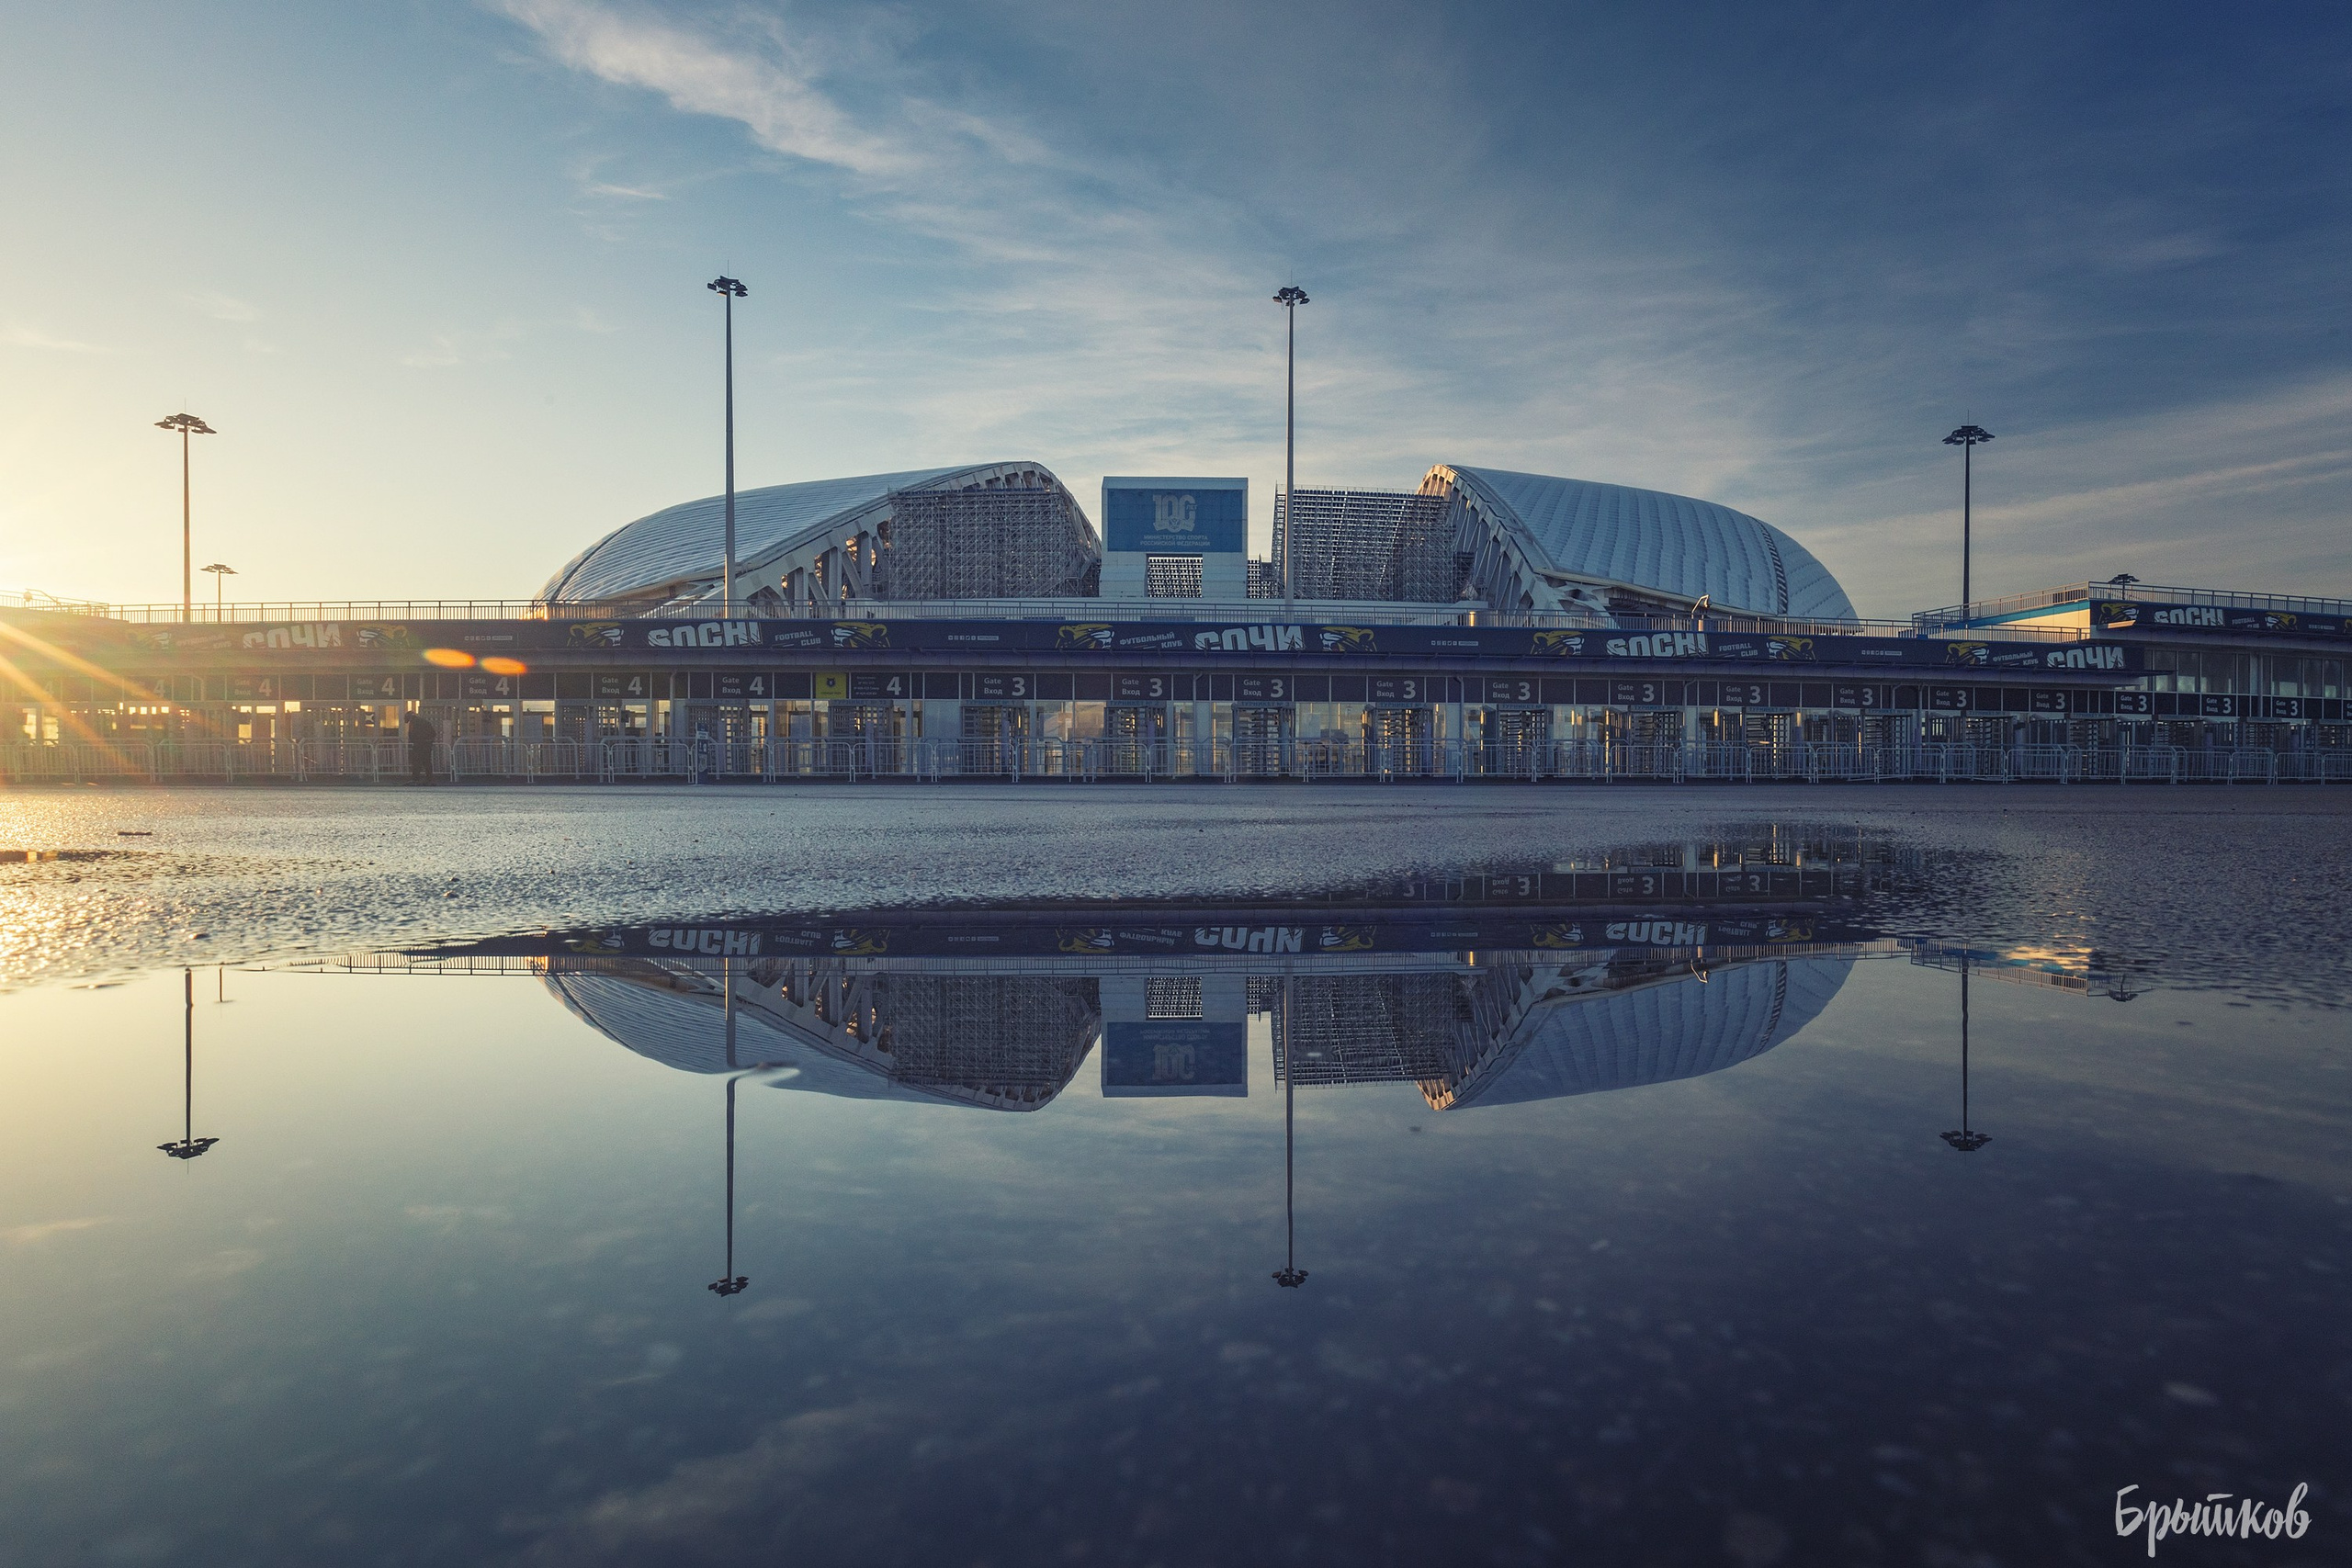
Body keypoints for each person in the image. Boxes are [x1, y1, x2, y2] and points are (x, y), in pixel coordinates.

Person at [406, 712, 437, 784]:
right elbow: (433, 733)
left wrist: (414, 740)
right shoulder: (424, 722)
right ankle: (429, 779)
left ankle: (415, 779)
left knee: (417, 762)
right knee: (427, 762)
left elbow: (411, 734)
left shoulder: (413, 722)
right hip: (427, 745)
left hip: (419, 745)